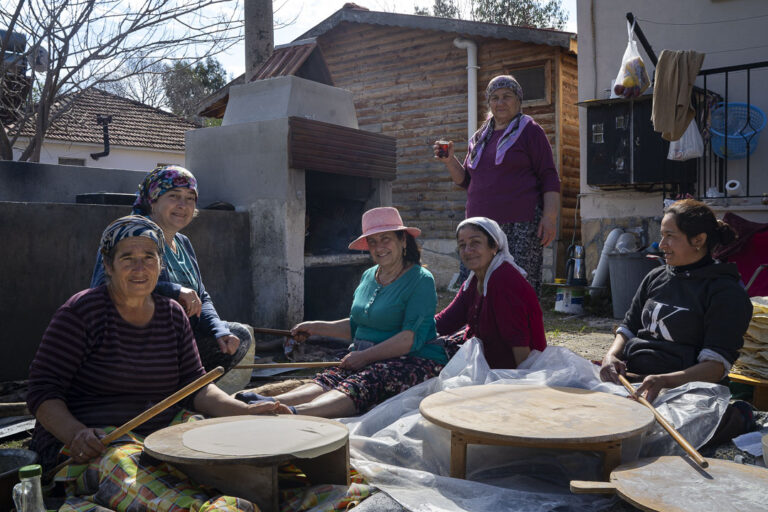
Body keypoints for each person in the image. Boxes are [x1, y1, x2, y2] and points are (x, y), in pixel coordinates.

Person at [27, 216, 288, 510]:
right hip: (99, 443)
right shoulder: (82, 312)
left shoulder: (172, 314)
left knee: (237, 452)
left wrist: (242, 410)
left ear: (160, 264)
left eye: (149, 257)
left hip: (161, 434)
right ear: (109, 265)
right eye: (128, 258)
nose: (140, 268)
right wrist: (77, 434)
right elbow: (42, 392)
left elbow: (197, 387)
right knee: (127, 470)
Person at [239, 207, 446, 418]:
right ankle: (270, 403)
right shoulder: (368, 276)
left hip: (412, 358)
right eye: (372, 241)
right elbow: (358, 325)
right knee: (330, 378)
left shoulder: (421, 279)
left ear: (403, 241)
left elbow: (409, 339)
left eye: (386, 239)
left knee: (365, 381)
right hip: (366, 355)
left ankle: (294, 413)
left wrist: (364, 356)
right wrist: (315, 327)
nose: (379, 247)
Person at [599, 199, 755, 445]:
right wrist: (611, 355)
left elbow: (716, 367)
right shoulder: (655, 277)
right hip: (633, 380)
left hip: (684, 390)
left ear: (699, 240)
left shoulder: (725, 292)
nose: (662, 245)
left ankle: (736, 417)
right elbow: (627, 328)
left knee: (652, 439)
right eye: (662, 236)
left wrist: (665, 381)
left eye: (670, 236)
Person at [90, 165, 250, 372]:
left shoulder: (182, 242)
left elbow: (201, 296)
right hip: (135, 337)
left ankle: (189, 396)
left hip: (179, 336)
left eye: (190, 198)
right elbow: (112, 287)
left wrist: (219, 330)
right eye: (174, 196)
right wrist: (175, 290)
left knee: (237, 335)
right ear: (153, 201)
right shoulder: (132, 234)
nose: (183, 205)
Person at [434, 75, 561, 294]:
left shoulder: (530, 131)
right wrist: (449, 160)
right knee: (477, 285)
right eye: (494, 98)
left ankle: (519, 328)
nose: (500, 102)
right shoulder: (480, 137)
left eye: (506, 97)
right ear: (489, 103)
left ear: (518, 100)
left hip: (519, 225)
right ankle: (477, 328)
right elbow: (466, 180)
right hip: (479, 227)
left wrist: (549, 218)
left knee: (518, 285)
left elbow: (549, 176)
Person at [435, 217, 546, 368]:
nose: (468, 250)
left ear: (494, 246)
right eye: (462, 245)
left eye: (475, 243)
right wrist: (407, 331)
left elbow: (519, 343)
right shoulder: (474, 281)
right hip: (486, 362)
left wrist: (523, 383)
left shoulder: (503, 280)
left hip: (508, 371)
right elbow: (447, 321)